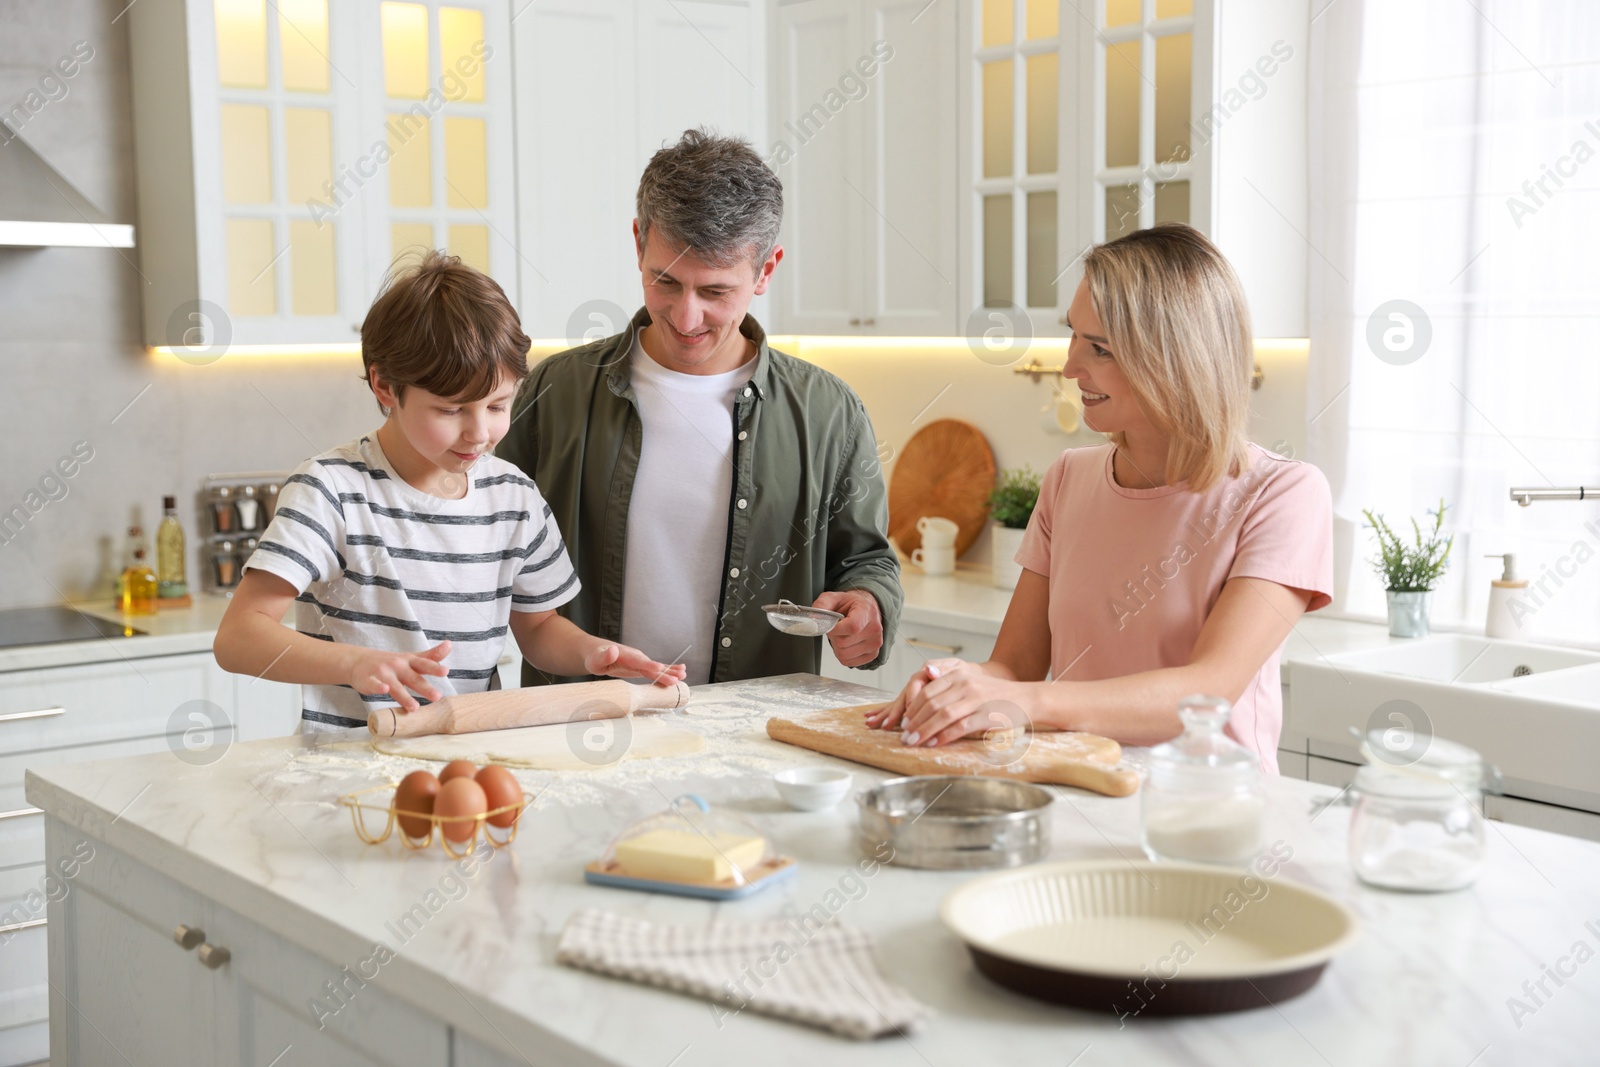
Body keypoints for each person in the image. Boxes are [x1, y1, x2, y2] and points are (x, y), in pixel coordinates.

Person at [872, 224, 1332, 771]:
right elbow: (1014, 668)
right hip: (1081, 797)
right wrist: (957, 685)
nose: (1070, 366)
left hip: (1211, 816)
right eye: (1073, 335)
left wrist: (1027, 703)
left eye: (1100, 349)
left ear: (1175, 357)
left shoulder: (1283, 494)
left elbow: (1207, 693)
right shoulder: (1069, 478)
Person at [496, 129, 901, 687]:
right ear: (638, 242)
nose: (686, 319)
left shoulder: (829, 411)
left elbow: (867, 560)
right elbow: (482, 538)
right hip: (580, 722)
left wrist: (867, 605)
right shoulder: (554, 393)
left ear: (766, 270)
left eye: (715, 292)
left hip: (755, 736)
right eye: (665, 281)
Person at [214, 251, 684, 731]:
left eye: (498, 404)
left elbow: (539, 629)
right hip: (351, 771)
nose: (479, 433)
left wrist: (593, 654)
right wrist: (354, 664)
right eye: (451, 410)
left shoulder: (513, 496)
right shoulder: (330, 491)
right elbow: (238, 638)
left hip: (473, 759)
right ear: (385, 385)